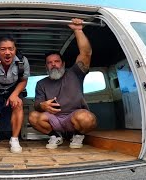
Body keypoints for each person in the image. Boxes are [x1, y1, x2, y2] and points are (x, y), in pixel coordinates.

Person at [28, 18, 97, 149]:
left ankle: (77, 135)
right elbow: (37, 105)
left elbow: (86, 53)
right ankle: (55, 136)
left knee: (88, 119)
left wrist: (78, 30)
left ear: (63, 64)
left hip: (74, 117)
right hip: (54, 119)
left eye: (57, 61)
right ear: (46, 67)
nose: (53, 64)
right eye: (49, 62)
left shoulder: (75, 73)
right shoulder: (41, 84)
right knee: (33, 117)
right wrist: (42, 105)